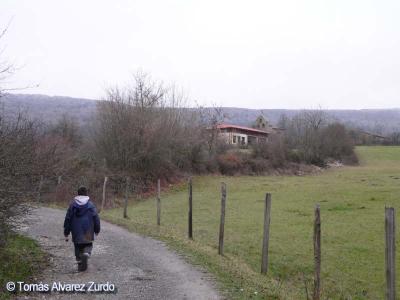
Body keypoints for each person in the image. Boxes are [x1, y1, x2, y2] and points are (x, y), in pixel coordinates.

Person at [64, 186, 100, 271]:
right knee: (87, 244)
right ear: (86, 194)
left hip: (76, 231)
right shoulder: (91, 205)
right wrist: (97, 229)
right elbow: (96, 218)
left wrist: (66, 232)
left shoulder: (72, 205)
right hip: (88, 229)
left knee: (77, 245)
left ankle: (80, 261)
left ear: (78, 193)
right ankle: (86, 254)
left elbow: (68, 218)